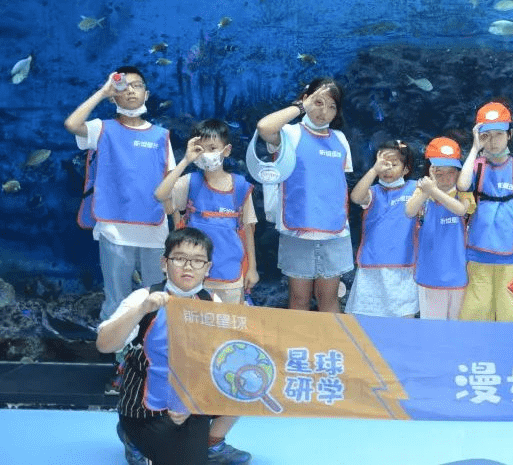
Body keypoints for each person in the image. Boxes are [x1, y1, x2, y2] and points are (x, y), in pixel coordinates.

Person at [64, 66, 175, 396]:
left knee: (157, 300)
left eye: (136, 85)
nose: (130, 91)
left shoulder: (162, 135)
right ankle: (122, 366)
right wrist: (102, 92)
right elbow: (72, 124)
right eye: (123, 87)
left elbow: (170, 184)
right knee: (117, 300)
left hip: (154, 230)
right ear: (115, 95)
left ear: (147, 94)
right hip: (114, 229)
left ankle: (153, 364)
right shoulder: (103, 128)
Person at [98, 228, 251, 465]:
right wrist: (141, 310)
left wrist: (193, 402)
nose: (188, 267)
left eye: (197, 261)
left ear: (207, 268)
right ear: (164, 263)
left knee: (245, 381)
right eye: (180, 258)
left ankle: (213, 443)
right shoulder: (144, 298)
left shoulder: (212, 303)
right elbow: (104, 345)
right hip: (146, 408)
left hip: (190, 401)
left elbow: (217, 362)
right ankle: (132, 438)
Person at [255, 77, 353, 312]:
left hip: (335, 231)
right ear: (305, 99)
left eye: (332, 106)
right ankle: (297, 340)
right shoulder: (289, 134)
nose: (324, 112)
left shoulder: (340, 139)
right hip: (297, 230)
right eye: (318, 103)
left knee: (329, 299)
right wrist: (301, 107)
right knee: (299, 299)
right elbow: (264, 128)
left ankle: (331, 338)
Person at [456, 101, 513, 322]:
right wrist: (474, 149)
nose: (493, 141)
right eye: (486, 135)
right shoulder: (476, 166)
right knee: (476, 312)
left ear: (509, 135)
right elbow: (462, 185)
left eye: (499, 134)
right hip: (478, 253)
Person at [154, 120, 258, 304]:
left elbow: (248, 230)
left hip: (230, 275)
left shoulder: (241, 187)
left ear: (226, 150)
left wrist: (252, 269)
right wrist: (186, 160)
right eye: (200, 149)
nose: (206, 154)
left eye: (212, 148)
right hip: (193, 276)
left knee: (229, 320)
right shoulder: (189, 182)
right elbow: (160, 194)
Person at [345, 140, 420, 317]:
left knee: (402, 320)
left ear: (406, 169)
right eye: (383, 164)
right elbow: (356, 198)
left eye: (394, 164)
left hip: (403, 266)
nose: (387, 169)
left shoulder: (416, 188)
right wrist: (373, 170)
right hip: (372, 266)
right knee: (366, 320)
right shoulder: (373, 192)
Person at [407, 137, 475, 320]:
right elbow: (410, 211)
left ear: (458, 172)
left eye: (450, 172)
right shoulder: (422, 192)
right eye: (439, 172)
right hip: (430, 273)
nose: (445, 177)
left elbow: (460, 210)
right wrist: (427, 190)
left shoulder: (463, 194)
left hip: (458, 273)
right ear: (430, 170)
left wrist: (434, 190)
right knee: (432, 326)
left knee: (456, 325)